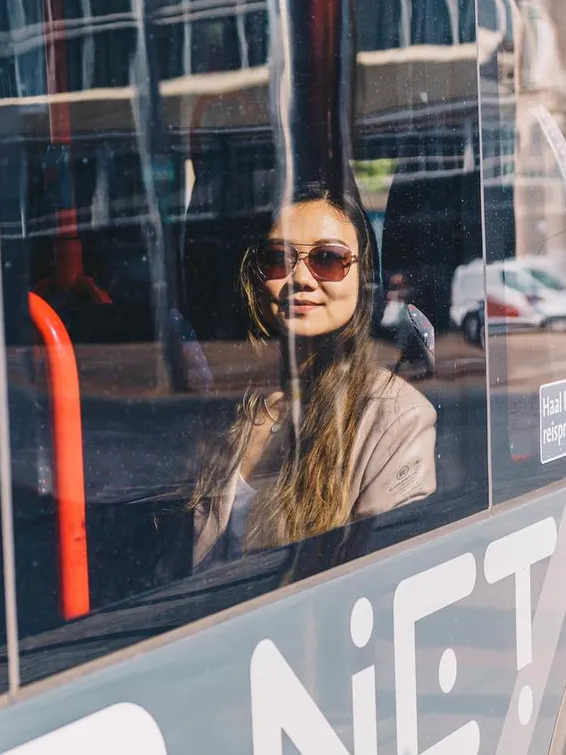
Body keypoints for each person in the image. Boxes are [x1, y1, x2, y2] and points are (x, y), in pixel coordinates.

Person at [186, 181, 438, 569]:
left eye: (328, 259)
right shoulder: (235, 402)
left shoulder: (396, 419)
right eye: (278, 258)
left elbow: (386, 580)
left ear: (363, 277)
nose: (301, 278)